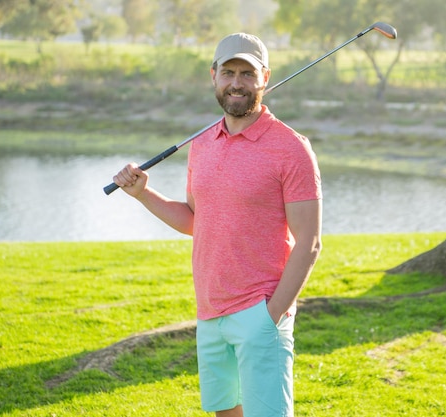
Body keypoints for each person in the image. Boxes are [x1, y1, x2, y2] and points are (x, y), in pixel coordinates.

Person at [113, 32, 322, 417]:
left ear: (265, 78)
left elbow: (309, 243)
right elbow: (197, 221)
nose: (237, 82)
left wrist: (271, 315)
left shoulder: (291, 148)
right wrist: (144, 193)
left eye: (247, 73)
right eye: (228, 72)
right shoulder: (204, 142)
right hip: (210, 312)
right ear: (214, 76)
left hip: (260, 312)